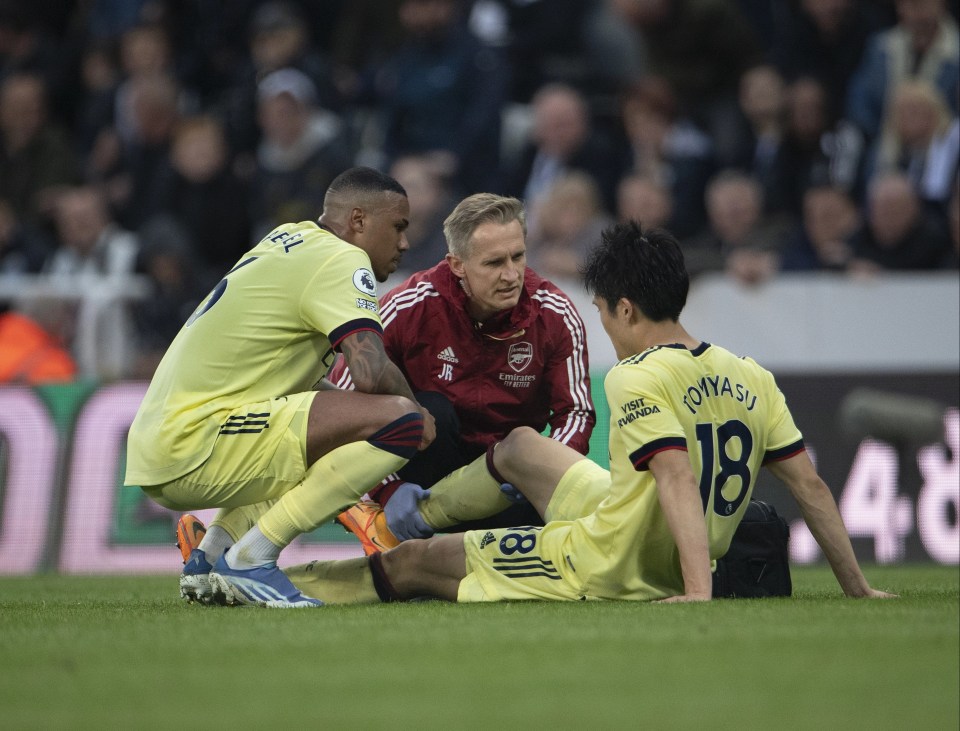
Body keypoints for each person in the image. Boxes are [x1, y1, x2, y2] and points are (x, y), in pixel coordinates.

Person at [282, 221, 896, 605]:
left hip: (607, 556)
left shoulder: (637, 377)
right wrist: (858, 587)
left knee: (413, 566)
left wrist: (697, 593)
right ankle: (412, 513)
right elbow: (810, 486)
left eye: (603, 311)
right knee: (521, 445)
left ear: (625, 310)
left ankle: (275, 585)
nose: (602, 324)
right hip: (625, 511)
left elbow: (677, 478)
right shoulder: (751, 374)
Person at [124, 166, 437, 608]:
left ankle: (209, 559)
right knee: (399, 421)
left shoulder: (288, 239)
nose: (405, 243)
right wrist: (416, 411)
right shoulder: (340, 258)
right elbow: (369, 372)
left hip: (163, 444)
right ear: (359, 220)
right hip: (196, 440)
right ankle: (253, 558)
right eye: (399, 227)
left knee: (332, 426)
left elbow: (301, 385)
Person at [329, 192, 595, 551]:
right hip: (422, 483)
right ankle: (384, 526)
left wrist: (542, 470)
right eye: (493, 263)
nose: (511, 275)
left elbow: (575, 413)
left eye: (518, 257)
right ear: (457, 265)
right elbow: (344, 402)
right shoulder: (408, 306)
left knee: (530, 454)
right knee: (429, 411)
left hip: (507, 484)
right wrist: (385, 486)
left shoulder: (556, 314)